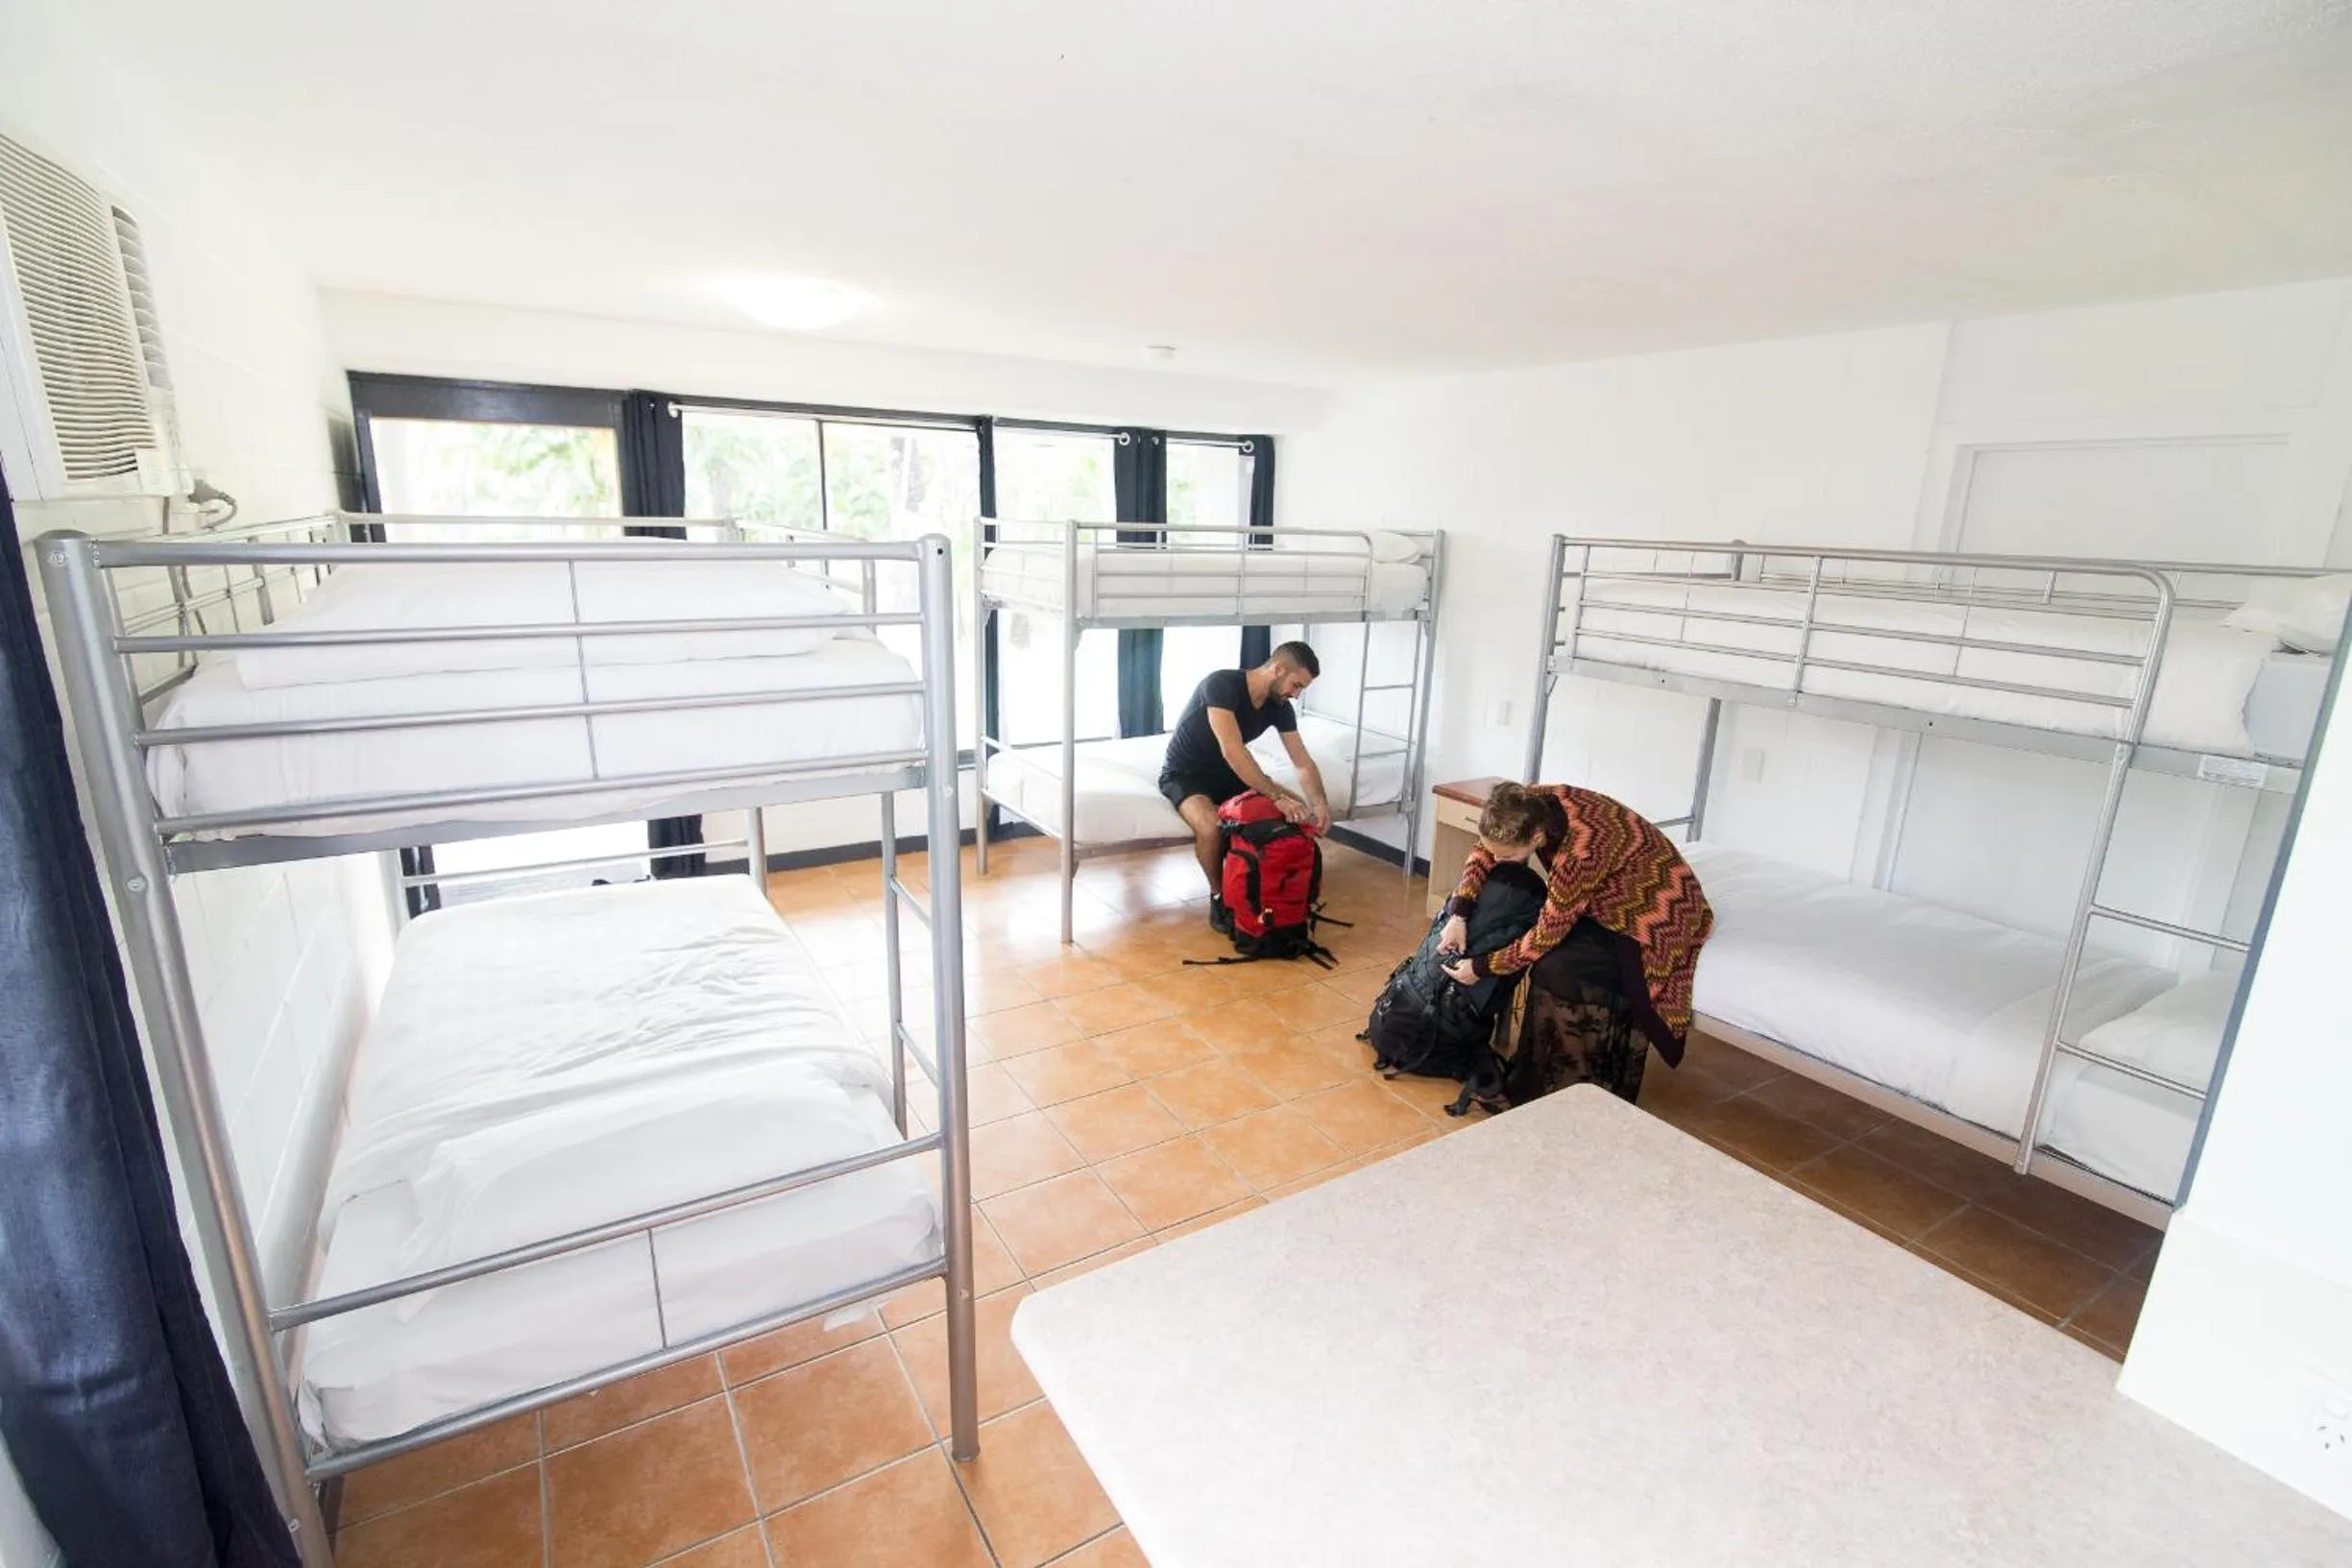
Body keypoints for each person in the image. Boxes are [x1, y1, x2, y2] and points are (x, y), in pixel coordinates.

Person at [1435, 781, 1712, 1104]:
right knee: (1551, 964)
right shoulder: (1526, 805)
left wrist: (1482, 967)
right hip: (1601, 897)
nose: (1496, 857)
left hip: (1654, 913)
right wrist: (1459, 914)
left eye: (1505, 855)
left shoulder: (1580, 853)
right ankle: (1542, 1080)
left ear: (1536, 837)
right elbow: (1484, 849)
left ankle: (1573, 1084)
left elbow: (1546, 935)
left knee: (1560, 967)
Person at [1158, 641, 1330, 926]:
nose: (1296, 694)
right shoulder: (1221, 685)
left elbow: (1302, 762)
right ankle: (1218, 897)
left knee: (1301, 810)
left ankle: (1271, 887)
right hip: (1186, 774)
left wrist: (1319, 803)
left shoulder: (1280, 707)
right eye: (1296, 685)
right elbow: (1232, 750)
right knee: (1210, 827)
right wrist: (1275, 796)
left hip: (1231, 774)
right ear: (1277, 669)